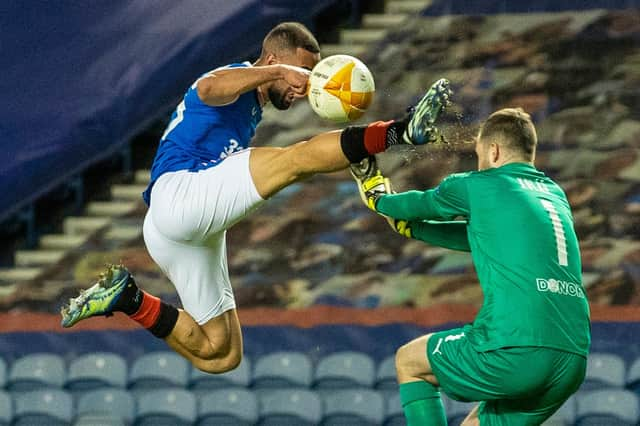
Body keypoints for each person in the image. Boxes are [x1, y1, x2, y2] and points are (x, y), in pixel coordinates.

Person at [60, 21, 452, 374]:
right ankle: (402, 131)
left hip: (172, 230)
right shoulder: (236, 77)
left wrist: (284, 76)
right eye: (300, 72)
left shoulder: (251, 105)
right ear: (271, 59)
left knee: (221, 354)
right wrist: (278, 72)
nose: (302, 86)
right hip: (181, 193)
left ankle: (127, 298)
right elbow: (208, 88)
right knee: (295, 160)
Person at [352, 108, 591, 425]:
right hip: (570, 359)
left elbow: (416, 205)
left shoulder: (479, 185)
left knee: (410, 362)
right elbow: (483, 237)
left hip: (516, 346)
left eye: (478, 153)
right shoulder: (554, 196)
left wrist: (378, 198)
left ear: (493, 151)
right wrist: (414, 229)